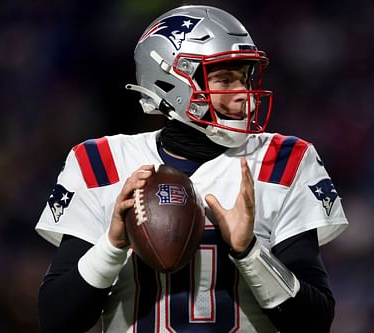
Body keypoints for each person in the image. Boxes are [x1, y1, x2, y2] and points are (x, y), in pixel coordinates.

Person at [36, 5, 348, 333]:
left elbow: (315, 322)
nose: (244, 95)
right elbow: (57, 320)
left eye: (244, 78)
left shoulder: (282, 161)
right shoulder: (100, 164)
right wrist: (112, 245)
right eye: (225, 79)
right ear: (170, 81)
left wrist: (249, 252)